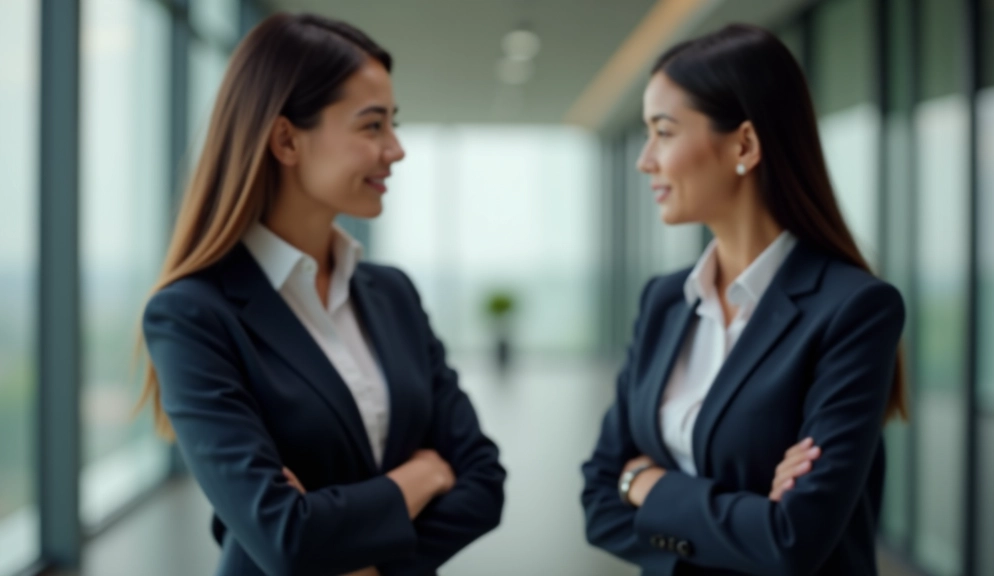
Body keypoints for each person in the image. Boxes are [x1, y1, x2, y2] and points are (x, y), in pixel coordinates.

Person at [140, 13, 505, 576]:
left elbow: (483, 480)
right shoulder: (192, 316)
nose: (396, 149)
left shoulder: (393, 293)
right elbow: (286, 535)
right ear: (286, 139)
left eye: (393, 123)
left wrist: (358, 552)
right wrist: (424, 475)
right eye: (372, 126)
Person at [581, 24, 906, 576]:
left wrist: (646, 482)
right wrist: (745, 517)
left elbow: (792, 540)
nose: (645, 160)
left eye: (663, 132)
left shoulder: (853, 309)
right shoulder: (664, 301)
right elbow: (598, 505)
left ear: (744, 145)